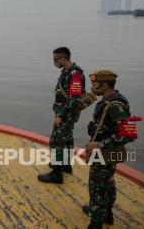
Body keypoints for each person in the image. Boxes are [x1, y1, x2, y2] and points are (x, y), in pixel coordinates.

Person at [83, 70, 134, 229]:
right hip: (106, 151)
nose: (92, 88)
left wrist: (99, 144)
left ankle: (96, 222)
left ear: (104, 85)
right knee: (107, 182)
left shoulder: (115, 106)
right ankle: (106, 213)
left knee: (98, 188)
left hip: (105, 152)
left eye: (94, 84)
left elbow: (129, 135)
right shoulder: (109, 100)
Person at [38, 47, 86, 184]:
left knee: (57, 141)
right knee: (67, 139)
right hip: (67, 112)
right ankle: (65, 165)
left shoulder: (75, 74)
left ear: (63, 59)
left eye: (55, 60)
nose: (54, 62)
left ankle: (56, 174)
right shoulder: (67, 72)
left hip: (66, 113)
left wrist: (61, 115)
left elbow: (74, 99)